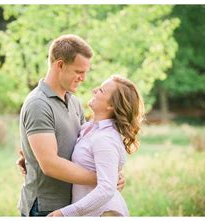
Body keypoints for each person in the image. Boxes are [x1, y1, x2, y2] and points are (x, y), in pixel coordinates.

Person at [17, 34, 125, 217]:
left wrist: (109, 173)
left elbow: (85, 146)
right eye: (78, 71)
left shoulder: (74, 102)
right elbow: (50, 164)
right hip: (45, 207)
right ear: (60, 65)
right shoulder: (38, 104)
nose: (83, 78)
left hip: (73, 205)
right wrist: (104, 179)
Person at [47, 75, 144, 216]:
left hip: (105, 213)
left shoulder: (105, 138)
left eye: (101, 90)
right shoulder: (89, 128)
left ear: (111, 106)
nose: (94, 90)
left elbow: (106, 189)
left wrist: (64, 213)